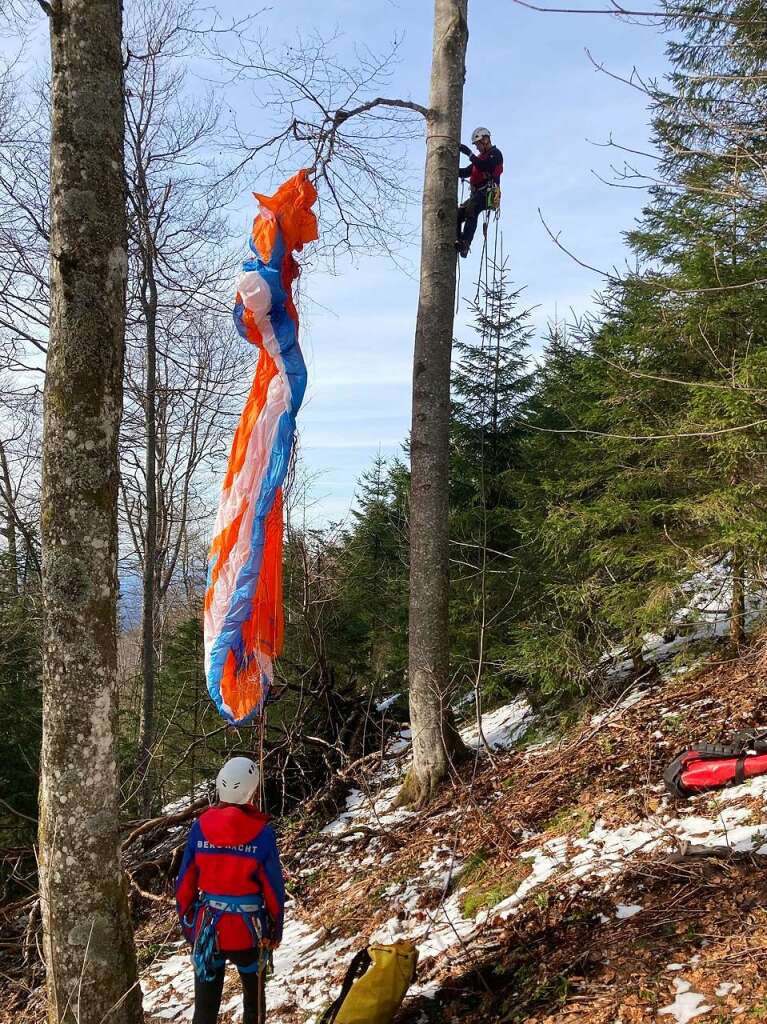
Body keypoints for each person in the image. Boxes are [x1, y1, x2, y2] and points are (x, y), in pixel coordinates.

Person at [175, 756, 285, 1024]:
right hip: (249, 934)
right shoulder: (262, 833)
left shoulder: (200, 828)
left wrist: (189, 925)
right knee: (253, 1007)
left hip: (209, 930)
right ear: (251, 791)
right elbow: (273, 890)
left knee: (204, 1011)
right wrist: (274, 930)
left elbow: (184, 884)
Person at [456, 127, 503, 257]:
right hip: (477, 194)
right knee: (458, 214)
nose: (477, 148)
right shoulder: (480, 158)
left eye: (478, 144)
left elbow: (485, 166)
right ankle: (459, 240)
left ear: (486, 140)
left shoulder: (495, 154)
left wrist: (468, 153)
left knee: (472, 208)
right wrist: (452, 169)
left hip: (487, 193)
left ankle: (465, 243)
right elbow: (466, 172)